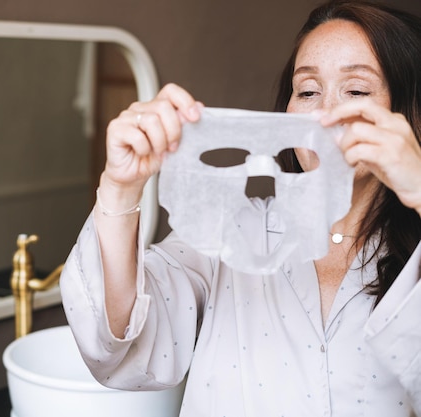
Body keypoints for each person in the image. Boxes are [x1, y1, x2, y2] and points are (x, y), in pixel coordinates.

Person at [59, 0, 421, 415]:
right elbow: (121, 345)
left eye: (356, 91)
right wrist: (121, 187)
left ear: (405, 113)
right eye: (307, 91)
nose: (325, 115)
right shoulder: (226, 232)